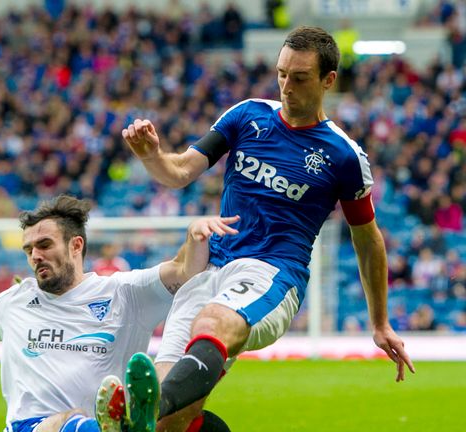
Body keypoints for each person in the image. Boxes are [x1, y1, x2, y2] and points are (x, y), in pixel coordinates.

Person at [120, 26, 415, 432]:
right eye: (281, 73)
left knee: (211, 324)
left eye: (299, 78)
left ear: (329, 80)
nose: (286, 86)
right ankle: (159, 411)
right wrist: (152, 155)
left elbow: (367, 240)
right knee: (175, 422)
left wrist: (379, 323)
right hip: (209, 271)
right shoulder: (246, 115)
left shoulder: (344, 156)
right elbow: (178, 172)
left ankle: (146, 409)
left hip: (272, 275)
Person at [0, 195, 239, 432]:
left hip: (97, 422)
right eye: (28, 249)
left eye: (44, 245)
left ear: (77, 245)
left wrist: (195, 236)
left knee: (202, 425)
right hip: (33, 427)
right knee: (68, 421)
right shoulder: (16, 299)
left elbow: (185, 271)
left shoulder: (124, 292)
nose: (34, 256)